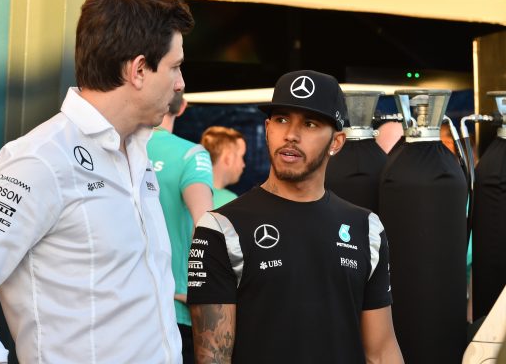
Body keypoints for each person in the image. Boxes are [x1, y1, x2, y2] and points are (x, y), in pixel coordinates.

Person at [0, 0, 193, 363]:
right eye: (175, 66)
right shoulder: (42, 160)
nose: (181, 83)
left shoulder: (135, 153)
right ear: (140, 69)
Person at [187, 70, 404, 363]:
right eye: (282, 119)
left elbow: (381, 352)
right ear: (267, 128)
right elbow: (213, 359)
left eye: (310, 123)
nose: (291, 134)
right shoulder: (221, 229)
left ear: (337, 142)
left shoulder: (365, 228)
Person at [147, 91, 213, 363]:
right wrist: (206, 291)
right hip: (174, 306)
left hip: (122, 305)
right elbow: (206, 225)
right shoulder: (191, 154)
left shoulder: (120, 147)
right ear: (182, 107)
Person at [200, 126, 246, 208]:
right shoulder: (230, 202)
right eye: (241, 156)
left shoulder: (191, 193)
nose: (243, 164)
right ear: (228, 158)